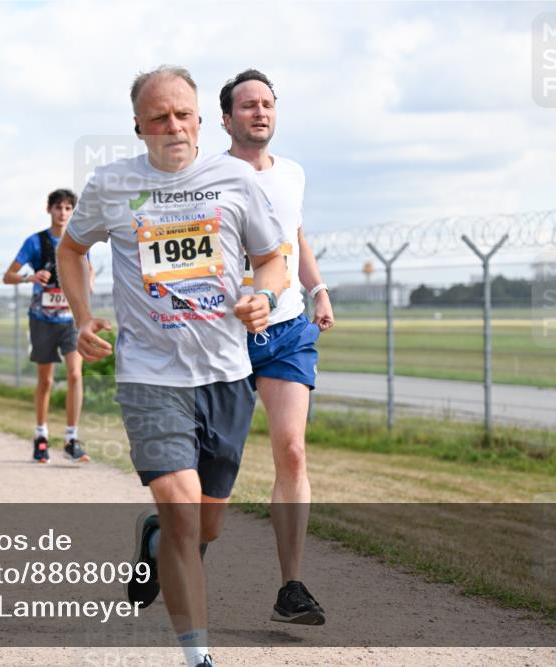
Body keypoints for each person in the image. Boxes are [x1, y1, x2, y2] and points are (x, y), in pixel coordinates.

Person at [57, 65, 286, 667]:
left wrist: (263, 296)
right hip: (149, 377)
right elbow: (72, 248)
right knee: (183, 511)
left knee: (205, 527)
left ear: (201, 119)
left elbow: (271, 260)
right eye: (159, 117)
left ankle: (155, 540)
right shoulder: (112, 185)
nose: (173, 126)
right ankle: (198, 657)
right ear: (138, 126)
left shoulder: (235, 179)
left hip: (226, 375)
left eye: (182, 114)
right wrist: (83, 318)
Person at [221, 68, 335, 626]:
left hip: (287, 330)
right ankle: (166, 537)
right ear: (225, 118)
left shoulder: (292, 174)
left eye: (267, 104)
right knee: (212, 464)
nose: (260, 112)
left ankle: (291, 585)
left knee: (291, 450)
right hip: (220, 335)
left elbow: (294, 235)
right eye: (248, 105)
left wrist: (316, 287)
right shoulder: (206, 177)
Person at [2, 189, 94, 464]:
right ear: (49, 210)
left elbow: (88, 268)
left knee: (76, 375)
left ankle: (71, 439)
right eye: (58, 208)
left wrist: (86, 286)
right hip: (42, 319)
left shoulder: (78, 239)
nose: (63, 213)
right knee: (46, 380)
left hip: (70, 320)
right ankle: (41, 436)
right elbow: (8, 276)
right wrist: (30, 278)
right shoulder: (35, 241)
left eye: (68, 208)